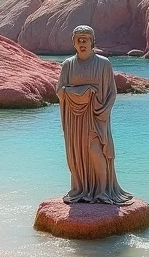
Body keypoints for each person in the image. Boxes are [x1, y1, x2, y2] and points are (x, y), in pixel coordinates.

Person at [56, 25, 133, 204]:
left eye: (86, 39)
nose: (82, 42)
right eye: (79, 39)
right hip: (75, 119)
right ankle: (81, 189)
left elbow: (112, 93)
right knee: (78, 155)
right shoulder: (68, 65)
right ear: (74, 43)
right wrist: (83, 92)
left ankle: (103, 191)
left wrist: (105, 110)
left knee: (96, 151)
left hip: (97, 116)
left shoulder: (103, 63)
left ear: (92, 42)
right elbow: (60, 91)